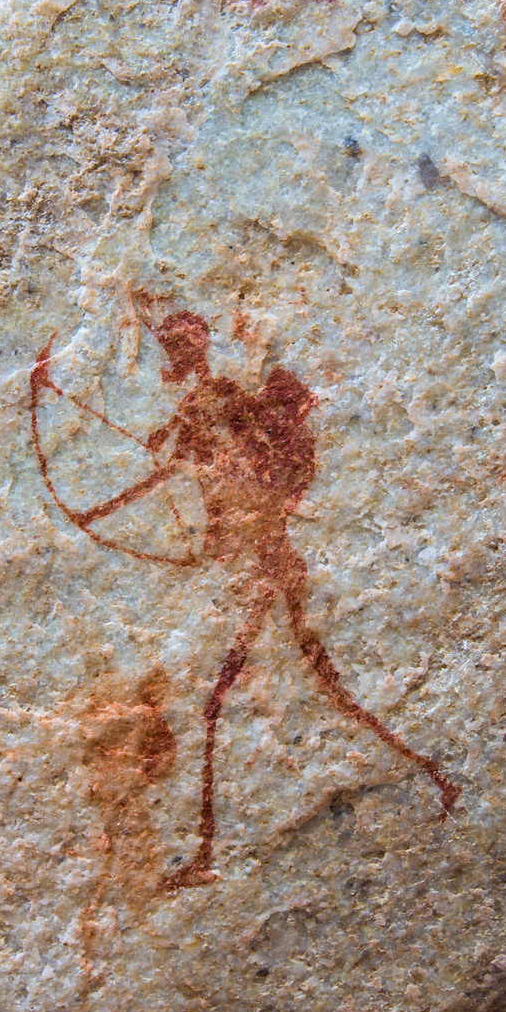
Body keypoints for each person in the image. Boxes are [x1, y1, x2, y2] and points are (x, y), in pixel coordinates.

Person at [45, 311, 459, 891]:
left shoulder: (217, 400)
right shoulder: (202, 405)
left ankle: (209, 849)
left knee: (238, 698)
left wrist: (100, 510)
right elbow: (173, 466)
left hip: (270, 565)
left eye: (173, 351)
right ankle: (429, 772)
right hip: (263, 562)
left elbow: (171, 475)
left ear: (191, 351)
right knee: (311, 688)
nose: (169, 363)